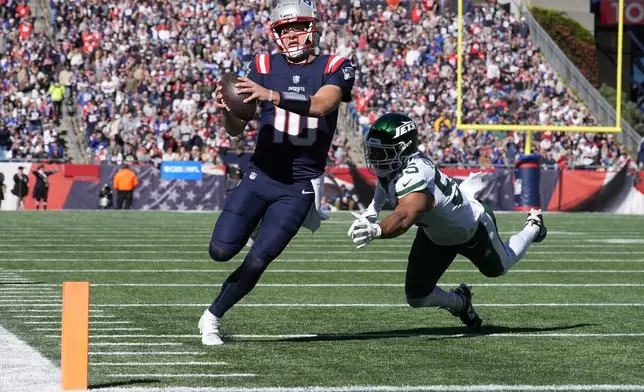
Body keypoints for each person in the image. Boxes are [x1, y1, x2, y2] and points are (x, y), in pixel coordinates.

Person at [199, 0, 355, 345]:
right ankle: (255, 222)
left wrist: (270, 94)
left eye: (297, 26)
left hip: (299, 184)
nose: (292, 35)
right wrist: (227, 111)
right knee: (220, 252)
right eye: (285, 29)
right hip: (261, 174)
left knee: (258, 259)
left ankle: (212, 317)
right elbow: (237, 129)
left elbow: (322, 104)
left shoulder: (336, 64)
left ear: (312, 27)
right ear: (276, 34)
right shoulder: (263, 64)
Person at [347, 113, 547, 330]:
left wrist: (377, 229)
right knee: (417, 297)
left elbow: (405, 216)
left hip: (471, 227)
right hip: (436, 235)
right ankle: (460, 302)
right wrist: (372, 210)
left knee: (499, 268)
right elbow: (385, 180)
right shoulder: (398, 164)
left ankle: (533, 226)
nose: (375, 157)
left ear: (404, 148)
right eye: (374, 151)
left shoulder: (415, 174)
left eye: (381, 152)